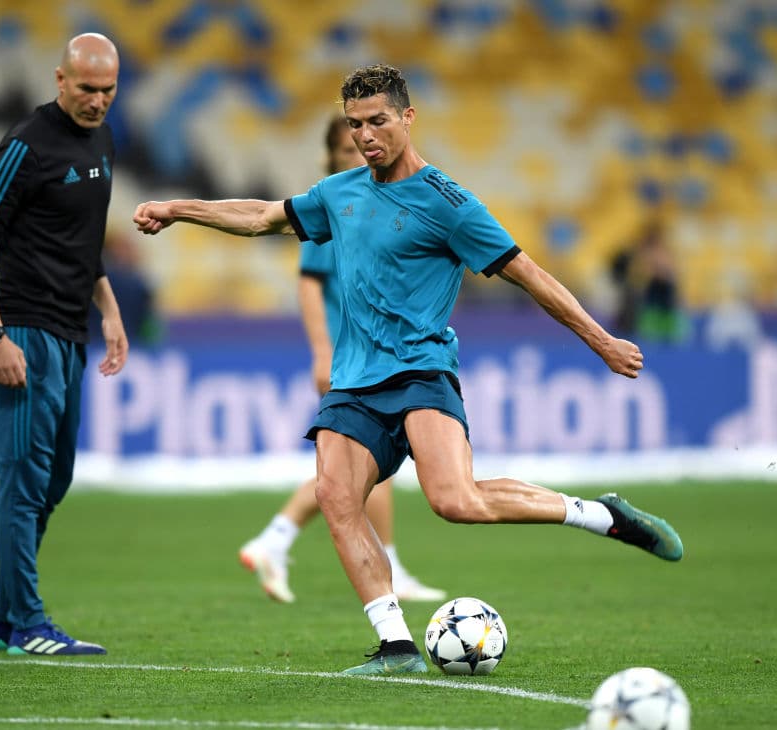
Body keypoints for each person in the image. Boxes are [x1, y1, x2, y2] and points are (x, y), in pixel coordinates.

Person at [133, 63, 683, 675]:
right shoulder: (340, 193)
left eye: (377, 121)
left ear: (407, 117)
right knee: (336, 496)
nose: (366, 135)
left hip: (422, 372)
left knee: (455, 501)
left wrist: (601, 340)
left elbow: (531, 277)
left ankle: (601, 515)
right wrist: (179, 208)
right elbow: (262, 216)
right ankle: (396, 647)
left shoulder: (450, 203)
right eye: (355, 124)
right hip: (355, 382)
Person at [0, 33, 127, 656]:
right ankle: (29, 622)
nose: (98, 100)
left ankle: (3, 620)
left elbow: (81, 240)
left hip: (70, 333)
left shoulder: (103, 140)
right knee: (24, 482)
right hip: (23, 330)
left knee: (53, 480)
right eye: (87, 88)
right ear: (60, 80)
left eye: (108, 89)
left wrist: (108, 310)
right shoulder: (25, 146)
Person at [238, 116, 444, 605]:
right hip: (350, 357)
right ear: (332, 156)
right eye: (347, 149)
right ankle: (281, 537)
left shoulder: (372, 204)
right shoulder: (334, 208)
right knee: (355, 467)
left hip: (372, 355)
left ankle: (289, 542)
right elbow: (309, 281)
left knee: (366, 467)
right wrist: (321, 351)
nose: (359, 154)